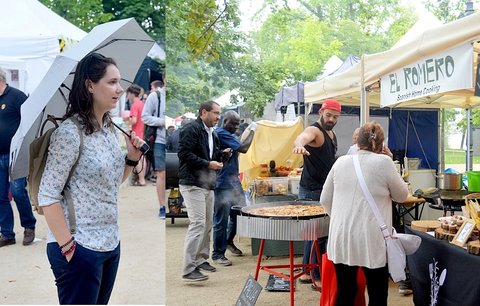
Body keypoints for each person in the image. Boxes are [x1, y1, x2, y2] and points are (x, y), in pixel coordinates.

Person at [38, 53, 146, 304]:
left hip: (109, 242)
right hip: (80, 247)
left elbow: (110, 183)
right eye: (112, 82)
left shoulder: (109, 130)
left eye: (119, 82)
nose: (120, 89)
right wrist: (68, 249)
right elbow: (48, 195)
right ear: (89, 85)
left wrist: (131, 158)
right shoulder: (69, 133)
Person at [320, 121, 408, 306]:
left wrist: (339, 217)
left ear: (357, 142)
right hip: (371, 238)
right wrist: (390, 159)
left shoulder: (340, 162)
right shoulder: (384, 162)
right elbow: (402, 196)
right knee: (377, 292)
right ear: (381, 144)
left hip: (342, 235)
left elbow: (325, 200)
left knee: (345, 290)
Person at [292, 98, 341, 289]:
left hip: (323, 188)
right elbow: (302, 137)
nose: (331, 119)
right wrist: (299, 145)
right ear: (321, 112)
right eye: (328, 115)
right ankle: (316, 276)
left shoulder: (332, 133)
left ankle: (307, 272)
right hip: (312, 190)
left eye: (335, 116)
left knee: (314, 234)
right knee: (318, 235)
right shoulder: (315, 131)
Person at [178, 100, 229, 282]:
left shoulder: (212, 134)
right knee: (198, 224)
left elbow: (211, 157)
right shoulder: (190, 129)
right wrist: (208, 163)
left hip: (207, 184)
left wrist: (222, 155)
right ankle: (188, 269)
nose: (218, 117)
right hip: (192, 183)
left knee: (207, 224)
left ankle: (200, 260)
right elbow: (184, 154)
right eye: (215, 113)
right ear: (203, 112)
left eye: (219, 113)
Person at [212, 112, 256, 265]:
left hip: (233, 181)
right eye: (233, 124)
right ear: (224, 121)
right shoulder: (221, 133)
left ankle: (228, 241)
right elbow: (243, 148)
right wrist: (254, 130)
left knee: (240, 214)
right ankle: (217, 254)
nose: (236, 127)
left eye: (238, 125)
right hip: (222, 183)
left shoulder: (228, 133)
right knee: (221, 220)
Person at [0, 66, 37, 248]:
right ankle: (7, 234)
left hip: (16, 154)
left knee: (17, 191)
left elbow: (31, 117)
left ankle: (29, 227)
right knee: (0, 196)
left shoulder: (16, 96)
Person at [142, 79, 167, 216]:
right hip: (159, 141)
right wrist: (161, 122)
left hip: (174, 142)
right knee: (161, 173)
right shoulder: (155, 96)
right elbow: (144, 117)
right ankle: (162, 207)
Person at [124, 84, 146, 186]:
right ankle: (142, 179)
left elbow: (134, 120)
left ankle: (141, 180)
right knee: (142, 157)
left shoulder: (134, 105)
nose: (127, 96)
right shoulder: (142, 104)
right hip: (142, 132)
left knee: (137, 157)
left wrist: (127, 120)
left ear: (132, 93)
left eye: (128, 93)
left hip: (136, 133)